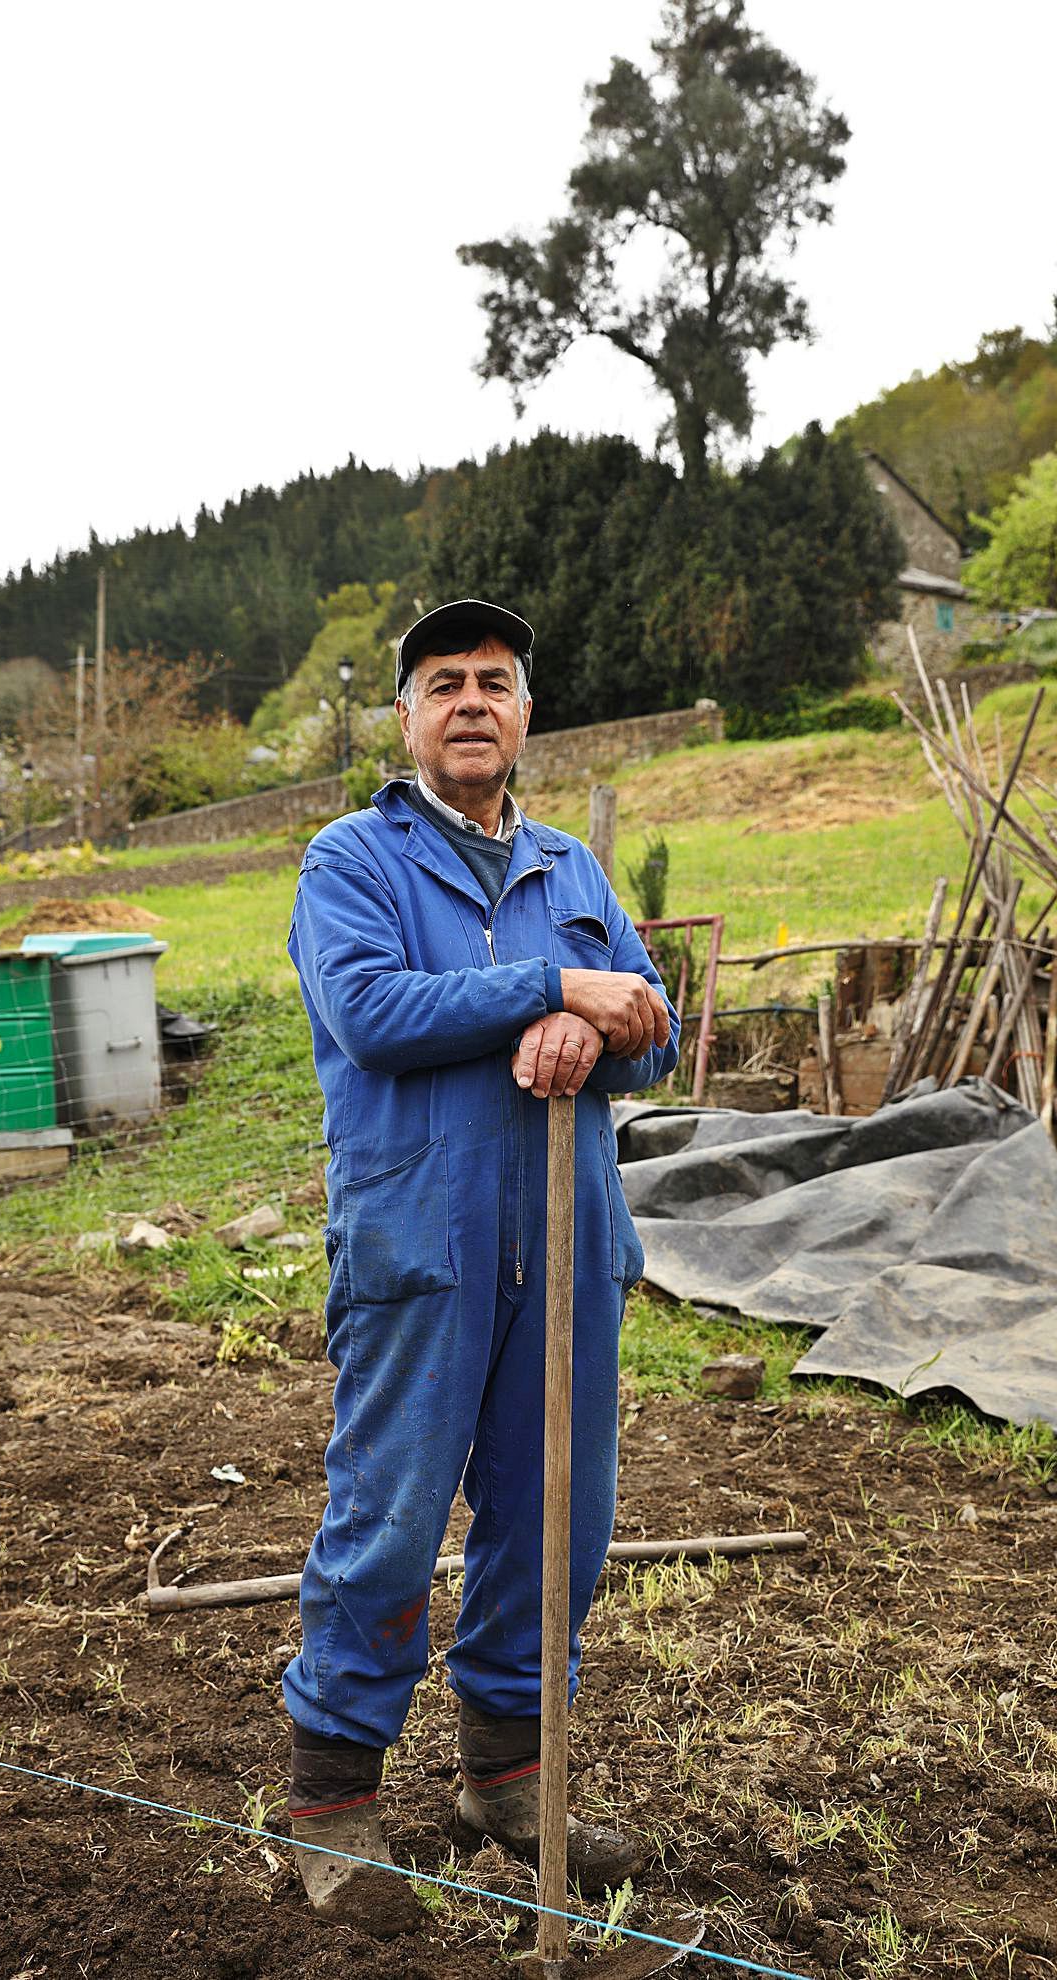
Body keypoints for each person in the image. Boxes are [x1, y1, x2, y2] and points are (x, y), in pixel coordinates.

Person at [282, 598, 680, 1935]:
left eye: (493, 681)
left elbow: (650, 1029)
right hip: (422, 1245)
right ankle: (334, 1796)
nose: (469, 700)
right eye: (442, 681)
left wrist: (594, 1027)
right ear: (404, 718)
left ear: (523, 714)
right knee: (389, 1522)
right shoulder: (353, 859)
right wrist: (552, 994)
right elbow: (374, 1013)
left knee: (554, 1522)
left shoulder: (569, 867)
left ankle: (509, 1783)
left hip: (566, 1243)